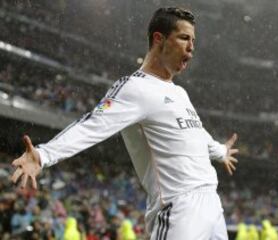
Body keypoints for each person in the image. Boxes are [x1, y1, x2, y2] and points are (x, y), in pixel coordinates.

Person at [10, 7, 239, 240]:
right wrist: (43, 154)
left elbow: (197, 135)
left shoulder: (179, 92)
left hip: (212, 204)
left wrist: (221, 151)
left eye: (193, 40)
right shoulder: (135, 88)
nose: (191, 47)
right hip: (179, 208)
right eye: (184, 38)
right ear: (159, 39)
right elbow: (93, 124)